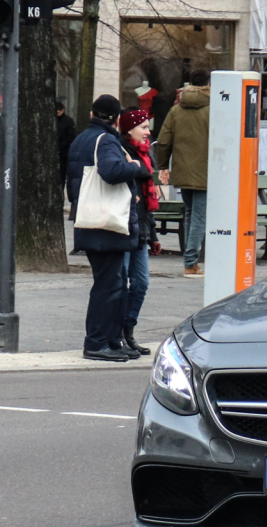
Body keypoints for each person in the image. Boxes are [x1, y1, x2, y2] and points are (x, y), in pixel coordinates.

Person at [67, 94, 150, 362]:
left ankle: (112, 342)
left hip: (89, 218)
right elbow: (111, 171)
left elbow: (72, 180)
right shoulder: (107, 141)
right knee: (109, 285)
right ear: (115, 119)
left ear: (92, 114)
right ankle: (97, 342)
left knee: (113, 283)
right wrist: (134, 166)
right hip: (106, 223)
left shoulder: (81, 139)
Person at [157, 69, 210, 277]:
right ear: (207, 84)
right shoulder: (214, 108)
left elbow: (163, 140)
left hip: (183, 170)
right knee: (199, 217)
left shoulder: (176, 110)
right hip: (206, 170)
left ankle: (190, 260)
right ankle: (190, 262)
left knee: (189, 213)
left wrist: (163, 165)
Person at [117, 108, 158, 355]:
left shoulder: (144, 155)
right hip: (124, 226)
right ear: (129, 129)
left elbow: (146, 197)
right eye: (143, 126)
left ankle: (128, 329)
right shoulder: (124, 152)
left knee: (140, 283)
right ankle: (118, 333)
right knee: (121, 282)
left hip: (140, 226)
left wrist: (153, 235)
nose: (147, 131)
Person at [55, 100, 76, 186]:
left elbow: (70, 137)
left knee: (62, 173)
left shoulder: (68, 121)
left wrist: (61, 146)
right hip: (60, 150)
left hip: (64, 152)